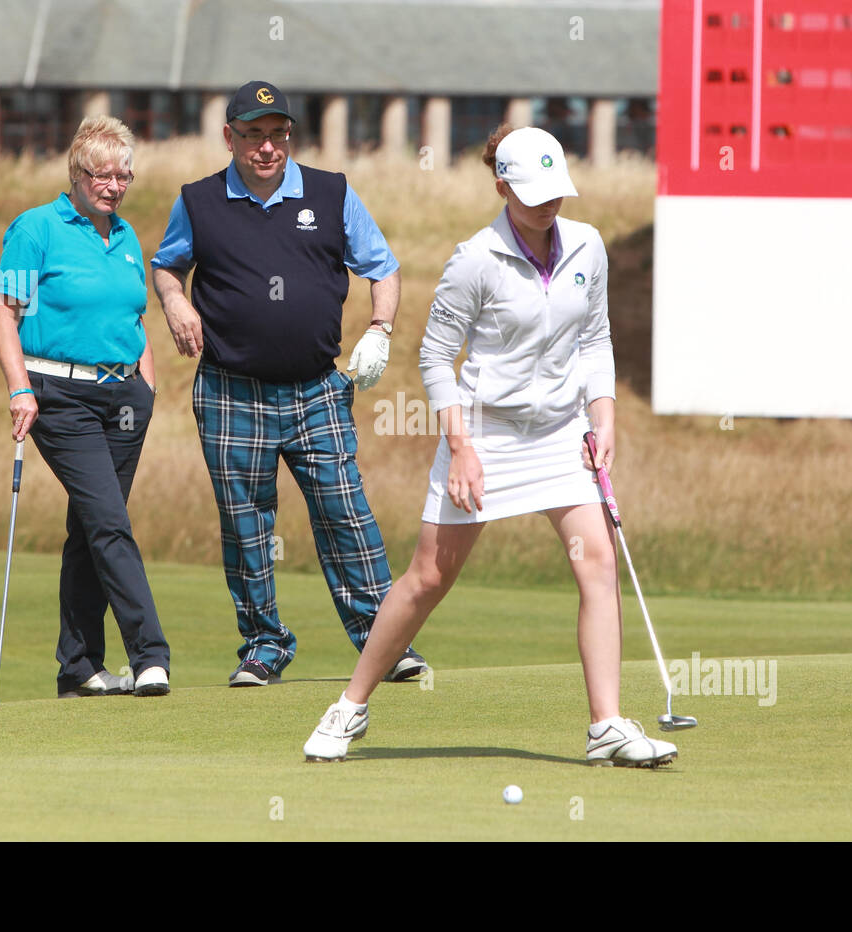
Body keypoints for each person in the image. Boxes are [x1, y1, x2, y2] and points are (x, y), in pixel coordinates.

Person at [303, 125, 679, 767]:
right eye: (531, 193)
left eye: (555, 191)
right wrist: (461, 446)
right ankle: (350, 706)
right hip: (484, 435)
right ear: (501, 185)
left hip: (562, 435)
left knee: (598, 565)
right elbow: (435, 355)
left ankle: (607, 725)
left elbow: (595, 341)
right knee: (428, 578)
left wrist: (604, 415)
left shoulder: (588, 246)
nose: (547, 204)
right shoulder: (474, 258)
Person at [151, 81, 427, 686]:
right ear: (230, 138)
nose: (267, 147)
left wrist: (380, 328)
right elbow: (167, 266)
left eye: (277, 134)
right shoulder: (199, 201)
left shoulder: (330, 193)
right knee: (246, 523)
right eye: (253, 135)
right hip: (230, 389)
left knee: (345, 512)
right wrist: (174, 303)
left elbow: (382, 267)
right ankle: (263, 646)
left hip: (317, 388)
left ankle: (384, 641)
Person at [0, 115, 171, 699]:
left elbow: (134, 316)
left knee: (89, 529)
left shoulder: (125, 237)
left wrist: (146, 383)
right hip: (60, 396)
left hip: (124, 398)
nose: (114, 186)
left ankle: (79, 666)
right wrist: (20, 389)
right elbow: (4, 317)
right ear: (77, 172)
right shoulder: (35, 228)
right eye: (103, 174)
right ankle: (150, 655)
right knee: (111, 523)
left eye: (125, 176)